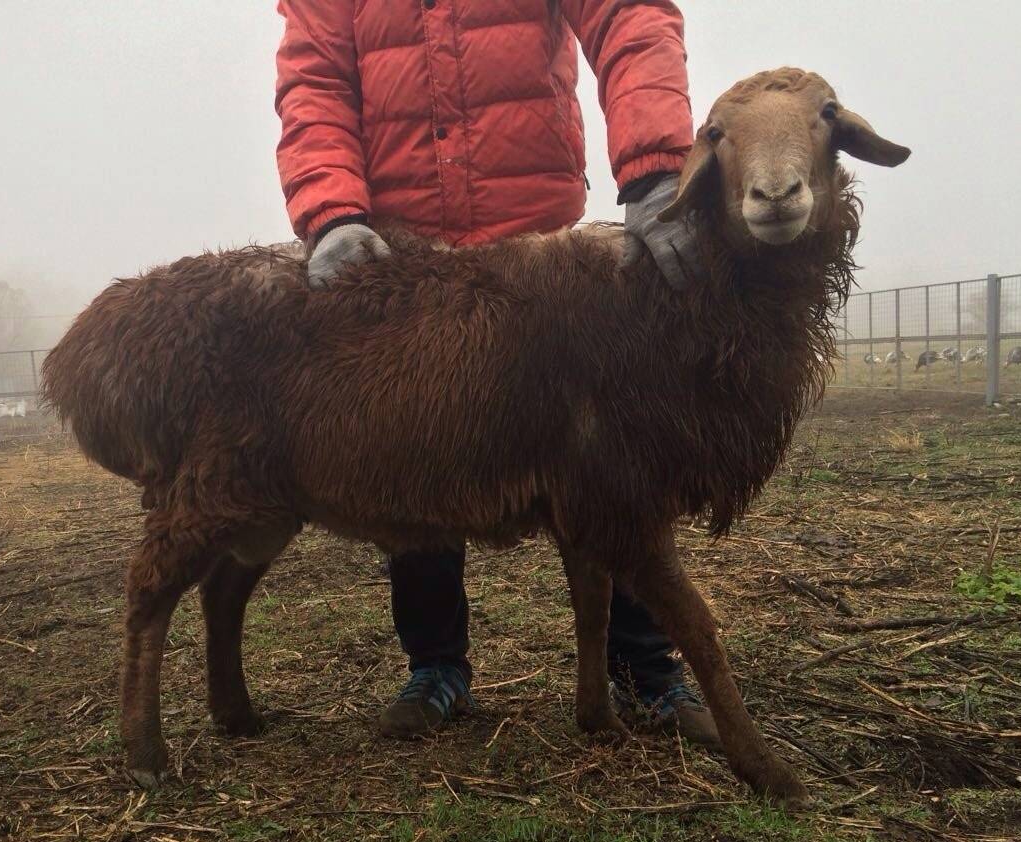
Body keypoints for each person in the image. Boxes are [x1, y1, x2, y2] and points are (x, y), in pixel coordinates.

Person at [274, 0, 719, 748]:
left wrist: (652, 168)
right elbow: (313, 81)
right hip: (405, 256)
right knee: (415, 460)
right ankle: (436, 666)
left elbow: (628, 18)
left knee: (608, 466)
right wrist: (331, 212)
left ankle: (644, 668)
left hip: (542, 255)